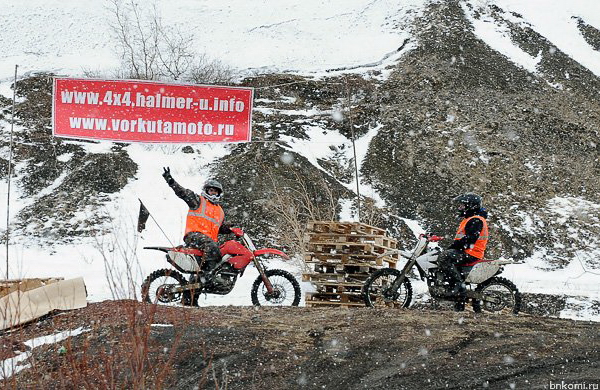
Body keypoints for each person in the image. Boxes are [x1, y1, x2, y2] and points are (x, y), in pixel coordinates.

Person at [162, 167, 243, 276]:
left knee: (218, 253)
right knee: (214, 250)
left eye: (216, 192)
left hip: (208, 242)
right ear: (206, 191)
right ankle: (207, 276)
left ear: (219, 194)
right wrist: (171, 181)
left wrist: (231, 228)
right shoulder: (198, 200)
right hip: (194, 236)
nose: (213, 194)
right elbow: (183, 193)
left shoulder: (220, 211)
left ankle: (196, 285)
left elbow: (219, 228)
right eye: (211, 191)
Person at [438, 193, 489, 298]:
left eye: (462, 205)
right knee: (443, 254)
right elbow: (461, 239)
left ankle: (458, 287)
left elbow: (470, 240)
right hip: (467, 251)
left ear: (471, 206)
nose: (459, 208)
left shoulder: (476, 220)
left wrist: (454, 246)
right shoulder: (469, 219)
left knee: (444, 257)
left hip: (472, 253)